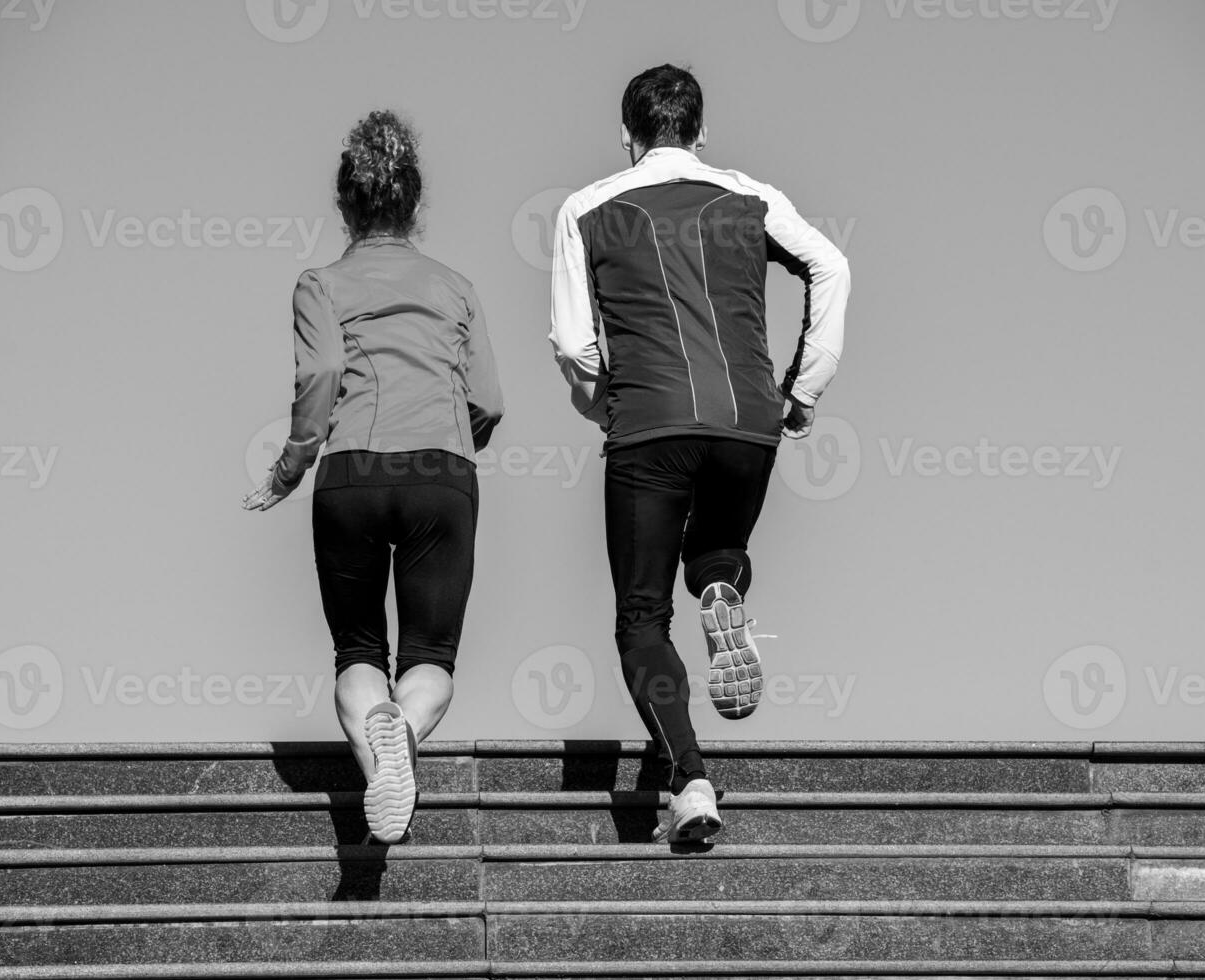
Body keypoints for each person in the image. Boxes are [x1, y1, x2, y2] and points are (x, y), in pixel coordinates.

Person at [549, 65, 850, 843]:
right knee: (715, 550)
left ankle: (689, 780)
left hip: (649, 421)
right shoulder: (751, 195)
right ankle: (719, 588)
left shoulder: (585, 209)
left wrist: (603, 405)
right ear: (700, 129)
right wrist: (803, 386)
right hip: (748, 421)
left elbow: (575, 344)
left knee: (642, 616)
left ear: (627, 135)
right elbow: (830, 264)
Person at [244, 110, 504, 844]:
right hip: (440, 474)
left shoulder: (319, 284)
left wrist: (293, 462)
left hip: (351, 472)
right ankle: (405, 732)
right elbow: (489, 400)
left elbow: (324, 369)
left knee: (357, 650)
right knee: (431, 655)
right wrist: (450, 449)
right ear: (415, 207)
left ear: (343, 205)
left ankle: (379, 744)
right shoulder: (454, 286)